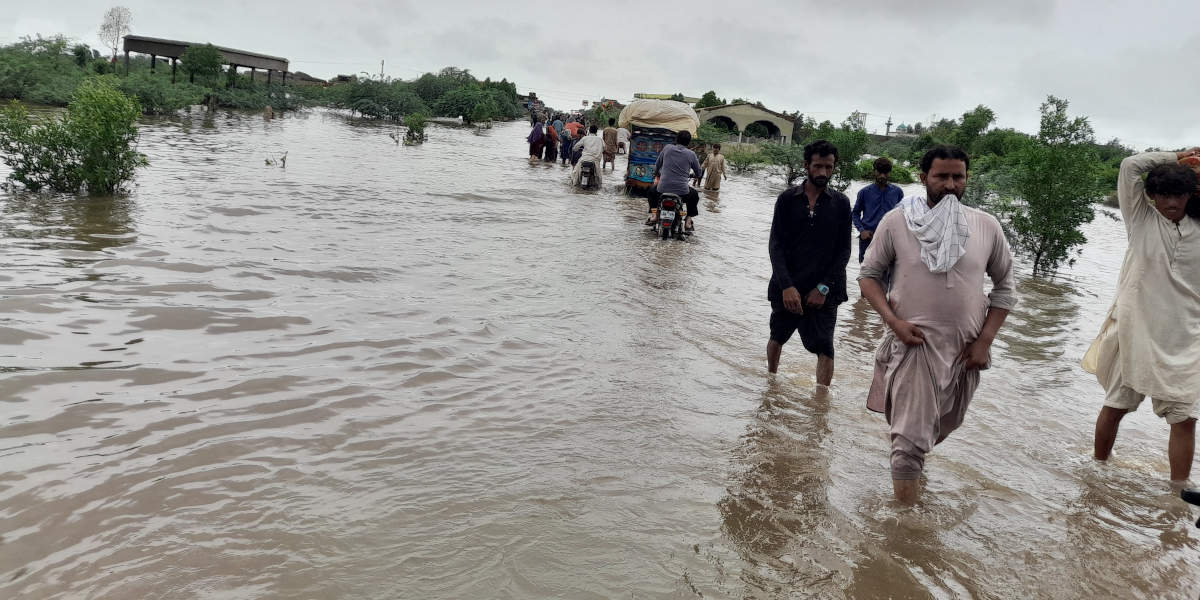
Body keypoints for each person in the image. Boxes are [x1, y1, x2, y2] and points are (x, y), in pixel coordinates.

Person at [857, 145, 1017, 504]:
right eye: (941, 176)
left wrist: (985, 341)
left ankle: (909, 484)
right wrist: (894, 322)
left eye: (957, 177)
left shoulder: (985, 226)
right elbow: (869, 277)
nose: (949, 185)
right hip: (914, 345)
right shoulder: (898, 221)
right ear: (923, 177)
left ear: (966, 180)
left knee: (940, 429)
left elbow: (1006, 287)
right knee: (910, 442)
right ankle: (904, 530)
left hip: (965, 353)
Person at [1087, 148, 1200, 483]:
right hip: (1134, 333)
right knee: (1115, 406)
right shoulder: (1141, 220)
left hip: (1185, 339)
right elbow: (1129, 166)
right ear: (1150, 196)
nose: (1172, 203)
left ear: (1189, 196)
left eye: (1179, 195)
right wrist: (1180, 155)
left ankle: (1177, 492)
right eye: (1163, 195)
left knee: (1185, 419)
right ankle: (1096, 472)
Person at [766, 140, 851, 387]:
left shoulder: (841, 203)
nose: (823, 172)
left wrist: (824, 287)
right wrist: (786, 286)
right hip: (787, 286)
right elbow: (776, 245)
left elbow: (844, 250)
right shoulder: (787, 200)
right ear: (806, 165)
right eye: (818, 166)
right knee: (777, 337)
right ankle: (770, 386)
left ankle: (821, 402)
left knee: (825, 346)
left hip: (825, 291)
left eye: (829, 167)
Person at [852, 157, 905, 262]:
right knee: (866, 271)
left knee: (890, 272)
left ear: (890, 173)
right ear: (874, 171)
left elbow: (902, 214)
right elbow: (855, 213)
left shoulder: (897, 192)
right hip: (868, 239)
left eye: (885, 173)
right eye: (879, 172)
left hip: (890, 239)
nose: (882, 176)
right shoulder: (864, 192)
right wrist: (862, 231)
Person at [650, 130, 703, 231]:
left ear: (676, 139)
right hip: (682, 191)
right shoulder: (691, 154)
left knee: (652, 191)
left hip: (662, 189)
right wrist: (694, 175)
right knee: (694, 195)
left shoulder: (667, 148)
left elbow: (657, 165)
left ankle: (654, 215)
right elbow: (699, 173)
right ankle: (688, 220)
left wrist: (656, 173)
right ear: (689, 142)